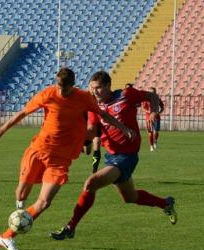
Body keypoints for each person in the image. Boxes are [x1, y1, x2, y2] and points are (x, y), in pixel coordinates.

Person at [0, 68, 135, 250]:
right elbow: (23, 113)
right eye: (59, 86)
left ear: (72, 85)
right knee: (21, 193)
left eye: (65, 88)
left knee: (44, 202)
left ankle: (6, 236)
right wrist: (0, 130)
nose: (61, 91)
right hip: (38, 150)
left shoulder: (83, 97)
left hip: (61, 160)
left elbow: (103, 115)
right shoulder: (47, 94)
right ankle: (19, 211)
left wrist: (123, 128)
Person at [51, 71, 177, 241]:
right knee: (130, 197)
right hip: (111, 157)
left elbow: (151, 96)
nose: (94, 92)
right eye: (92, 88)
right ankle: (166, 203)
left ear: (108, 86)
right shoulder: (94, 107)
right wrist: (76, 136)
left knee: (90, 184)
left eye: (98, 88)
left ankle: (71, 227)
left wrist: (154, 112)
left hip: (126, 157)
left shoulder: (126, 95)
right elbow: (92, 131)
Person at [142, 87, 164, 151]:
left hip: (156, 117)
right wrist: (149, 112)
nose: (152, 93)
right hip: (149, 118)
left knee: (156, 132)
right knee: (150, 132)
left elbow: (162, 107)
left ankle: (155, 141)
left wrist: (158, 113)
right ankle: (151, 146)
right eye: (151, 92)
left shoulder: (157, 99)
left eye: (153, 92)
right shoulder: (146, 100)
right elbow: (143, 108)